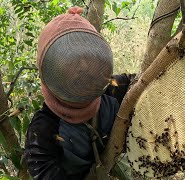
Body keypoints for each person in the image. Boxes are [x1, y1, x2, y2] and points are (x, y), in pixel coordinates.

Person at [24, 7, 133, 180]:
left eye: (87, 59)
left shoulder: (113, 91)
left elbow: (148, 85)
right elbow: (43, 170)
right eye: (70, 62)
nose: (82, 67)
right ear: (51, 70)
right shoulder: (44, 130)